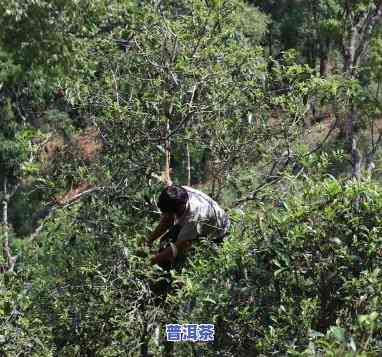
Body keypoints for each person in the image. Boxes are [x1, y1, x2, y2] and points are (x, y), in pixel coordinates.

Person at [146, 185, 230, 269]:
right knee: (165, 241)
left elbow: (178, 246)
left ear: (177, 210)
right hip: (205, 218)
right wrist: (148, 241)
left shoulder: (193, 218)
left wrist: (150, 262)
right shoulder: (178, 193)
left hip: (217, 231)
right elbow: (167, 220)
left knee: (177, 256)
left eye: (170, 212)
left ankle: (172, 272)